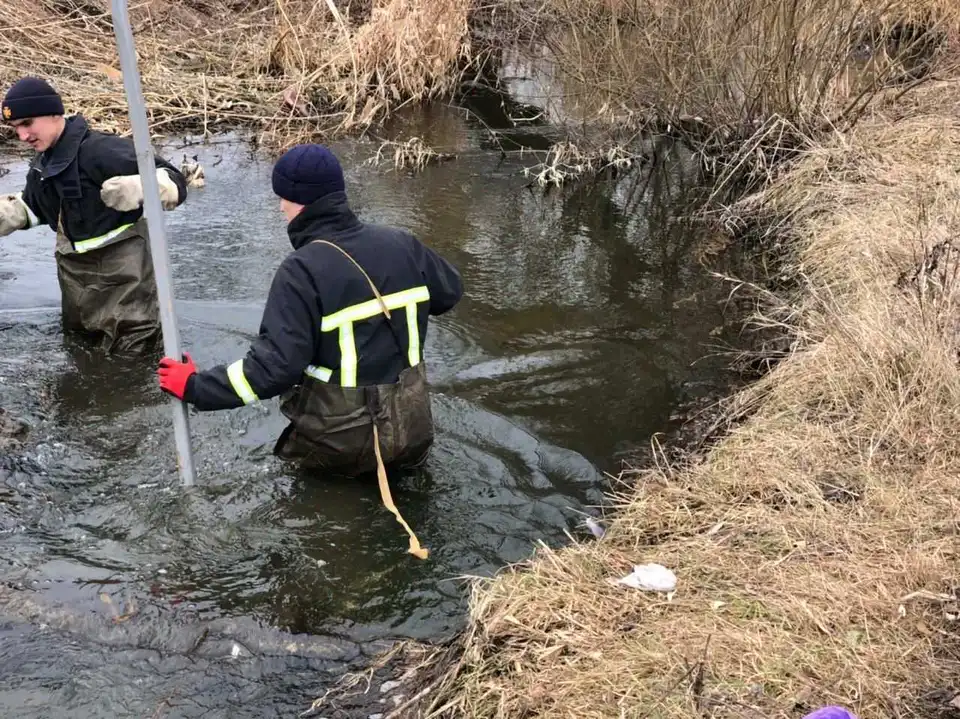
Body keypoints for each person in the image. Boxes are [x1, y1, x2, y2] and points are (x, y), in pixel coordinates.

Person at [156, 143, 463, 558]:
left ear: (295, 201)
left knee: (326, 542)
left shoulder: (301, 271)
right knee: (409, 523)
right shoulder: (402, 244)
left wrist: (195, 386)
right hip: (410, 431)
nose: (281, 209)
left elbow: (272, 372)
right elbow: (449, 293)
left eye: (281, 199)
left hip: (339, 447)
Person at [0, 76, 188, 355]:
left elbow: (175, 180)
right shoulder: (42, 166)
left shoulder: (99, 150)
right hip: (78, 296)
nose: (23, 136)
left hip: (127, 294)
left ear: (54, 113)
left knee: (132, 371)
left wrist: (141, 187)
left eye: (27, 124)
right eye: (16, 128)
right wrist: (11, 213)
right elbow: (34, 209)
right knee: (81, 358)